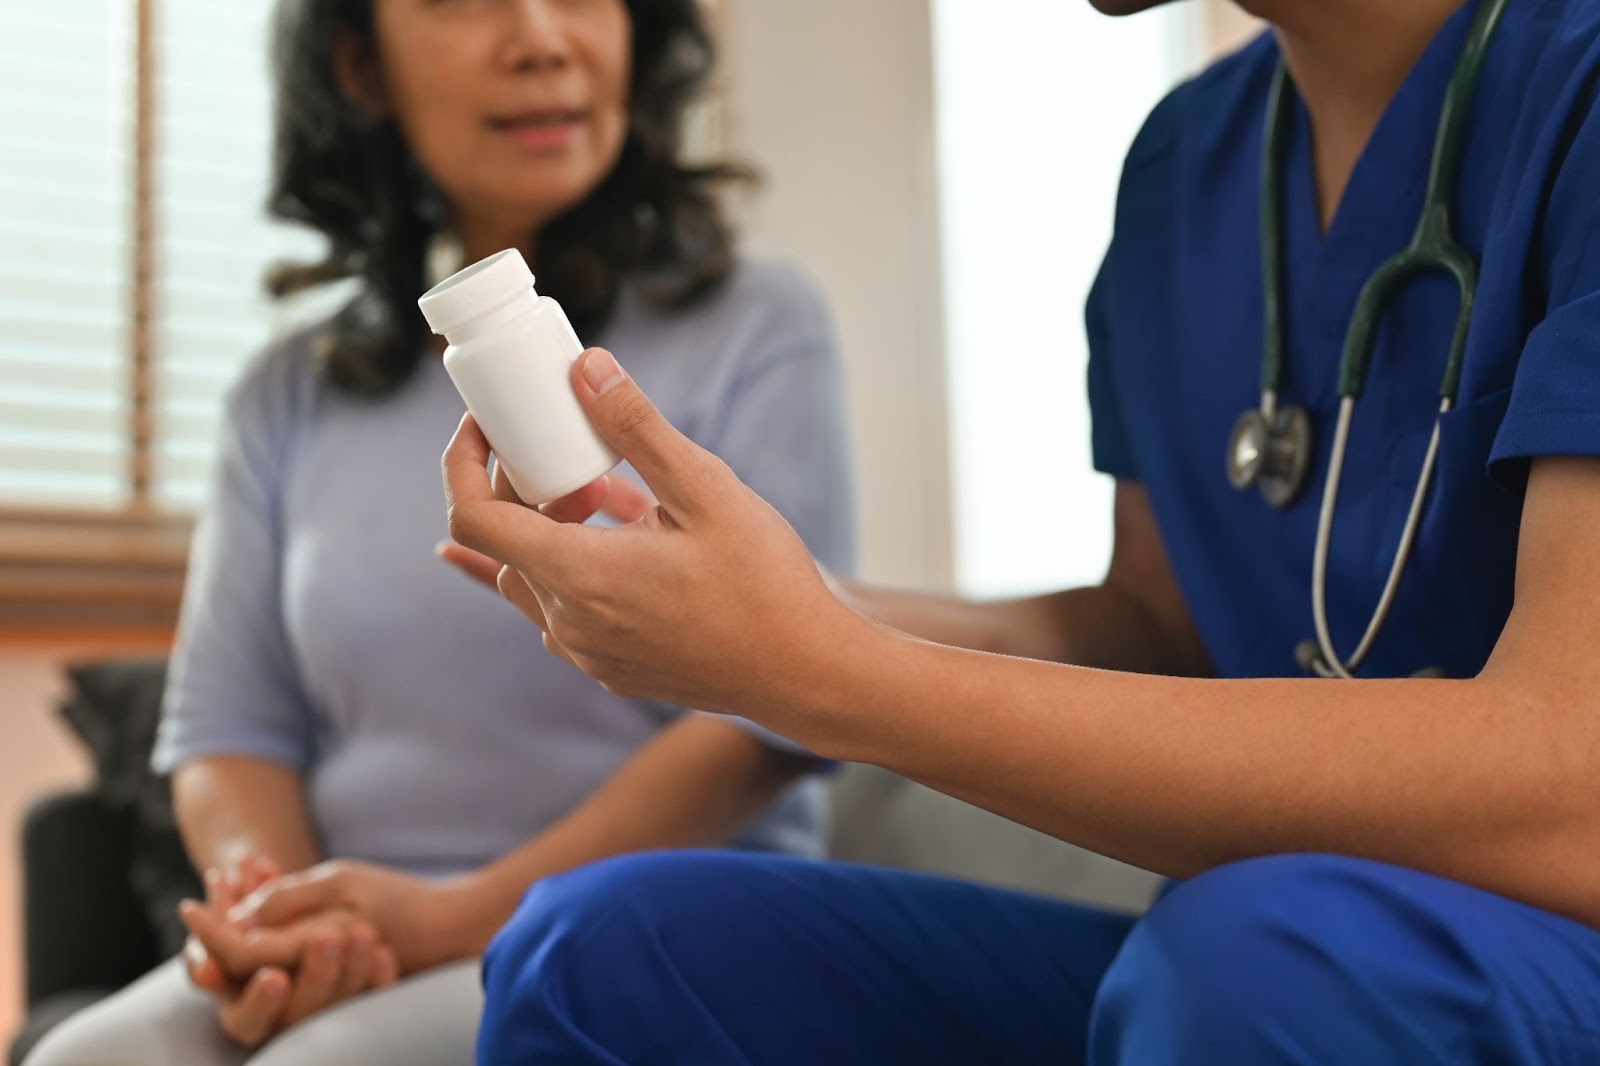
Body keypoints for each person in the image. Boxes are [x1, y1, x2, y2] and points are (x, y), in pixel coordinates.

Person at [439, 0, 1600, 1062]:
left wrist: (822, 672)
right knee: (608, 954)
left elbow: (1570, 781)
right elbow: (1158, 630)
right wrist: (771, 605)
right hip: (1256, 958)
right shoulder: (1186, 163)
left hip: (1481, 953)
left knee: (1245, 965)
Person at [22, 1, 853, 1064]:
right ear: (361, 63)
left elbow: (777, 706)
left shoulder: (760, 325)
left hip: (662, 923)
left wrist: (455, 917)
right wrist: (293, 929)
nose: (541, 37)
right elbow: (229, 725)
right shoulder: (286, 393)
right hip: (367, 930)